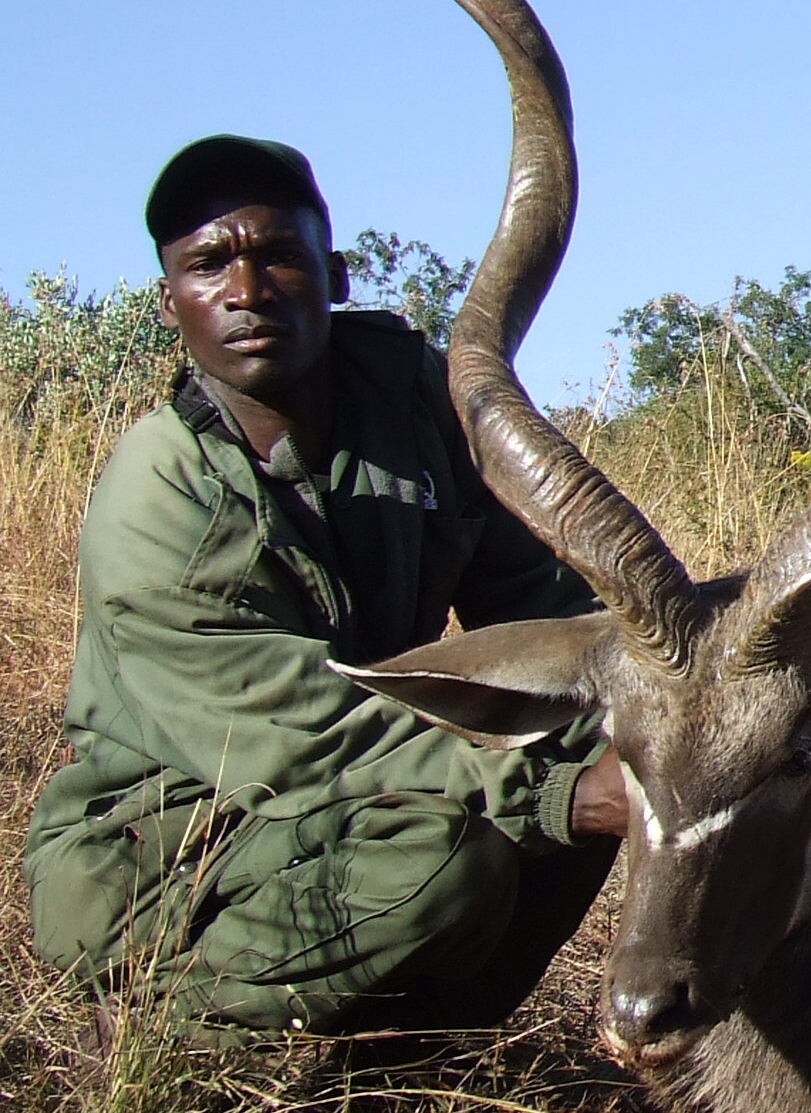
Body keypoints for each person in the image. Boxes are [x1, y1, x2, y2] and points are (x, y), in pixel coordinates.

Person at [23, 136, 627, 1045]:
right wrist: (559, 791)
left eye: (278, 256)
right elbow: (311, 736)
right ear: (170, 302)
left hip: (355, 785)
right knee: (454, 856)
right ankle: (168, 1041)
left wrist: (667, 709)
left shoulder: (417, 396)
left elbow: (547, 613)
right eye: (208, 265)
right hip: (169, 843)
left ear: (337, 275)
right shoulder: (159, 491)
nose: (247, 291)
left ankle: (419, 1051)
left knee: (635, 744)